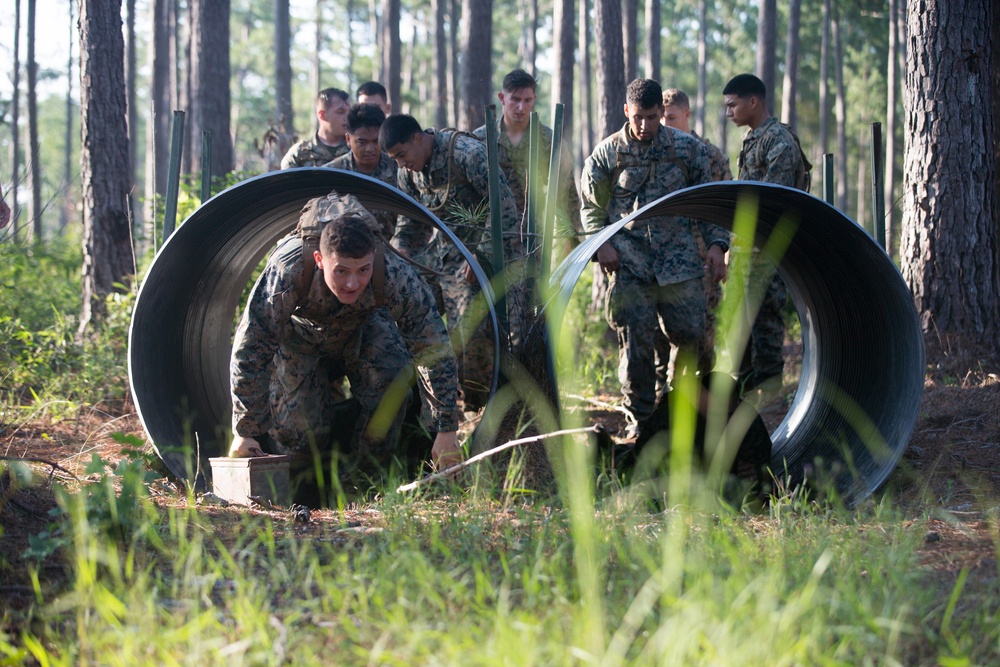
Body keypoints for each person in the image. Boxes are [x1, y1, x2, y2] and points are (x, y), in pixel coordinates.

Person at [228, 197, 463, 482]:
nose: (352, 283)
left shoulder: (393, 272)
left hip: (365, 325)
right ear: (319, 260)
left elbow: (432, 345)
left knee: (392, 395)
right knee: (300, 434)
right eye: (341, 271)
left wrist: (446, 429)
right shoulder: (288, 269)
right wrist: (245, 431)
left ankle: (363, 486)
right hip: (301, 334)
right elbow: (251, 346)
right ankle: (301, 489)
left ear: (373, 257)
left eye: (363, 270)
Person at [581, 78, 729, 442]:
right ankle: (642, 424)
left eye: (652, 117)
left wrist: (716, 245)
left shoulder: (688, 150)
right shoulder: (607, 154)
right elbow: (590, 208)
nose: (645, 125)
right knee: (636, 350)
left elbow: (710, 204)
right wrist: (602, 244)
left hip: (680, 266)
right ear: (626, 111)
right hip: (631, 266)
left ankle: (680, 412)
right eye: (639, 117)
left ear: (661, 113)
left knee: (692, 339)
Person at [379, 114, 522, 411]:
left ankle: (479, 407)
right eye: (394, 159)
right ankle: (414, 402)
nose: (401, 164)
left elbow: (504, 207)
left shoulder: (467, 154)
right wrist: (402, 248)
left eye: (402, 155)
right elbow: (412, 221)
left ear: (418, 138)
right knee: (403, 308)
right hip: (442, 253)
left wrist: (482, 254)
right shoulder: (408, 172)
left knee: (469, 332)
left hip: (482, 250)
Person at [723, 73, 806, 395]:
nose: (729, 112)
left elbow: (775, 200)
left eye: (733, 105)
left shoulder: (778, 141)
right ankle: (745, 394)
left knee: (764, 323)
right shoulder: (756, 137)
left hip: (767, 250)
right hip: (747, 249)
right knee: (742, 327)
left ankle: (769, 397)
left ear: (753, 102)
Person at [656, 87, 733, 395]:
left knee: (704, 335)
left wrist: (723, 253)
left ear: (686, 115)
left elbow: (727, 208)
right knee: (664, 337)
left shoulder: (710, 156)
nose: (664, 124)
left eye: (671, 117)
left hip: (704, 260)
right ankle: (668, 397)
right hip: (666, 262)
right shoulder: (657, 154)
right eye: (660, 118)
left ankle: (702, 399)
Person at [473, 68, 581, 255]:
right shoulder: (481, 139)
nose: (521, 108)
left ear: (534, 100)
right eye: (515, 99)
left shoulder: (549, 141)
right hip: (489, 239)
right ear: (502, 98)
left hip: (533, 240)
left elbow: (567, 193)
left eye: (527, 100)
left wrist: (569, 236)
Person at [328, 103, 398, 238]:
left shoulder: (399, 168)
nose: (370, 149)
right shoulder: (333, 174)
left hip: (394, 250)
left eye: (376, 141)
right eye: (362, 142)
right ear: (348, 139)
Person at [280, 88, 351, 168]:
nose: (348, 117)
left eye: (350, 112)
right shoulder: (299, 154)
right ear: (322, 115)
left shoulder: (356, 151)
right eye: (341, 112)